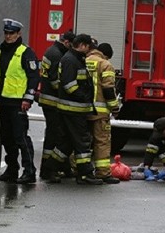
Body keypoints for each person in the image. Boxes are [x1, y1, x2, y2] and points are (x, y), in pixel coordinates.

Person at [0, 18, 41, 184]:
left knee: (21, 138)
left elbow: (33, 77)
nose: (8, 36)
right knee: (7, 138)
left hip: (18, 102)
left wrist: (28, 98)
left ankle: (29, 171)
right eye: (6, 33)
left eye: (11, 33)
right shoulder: (1, 51)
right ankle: (12, 169)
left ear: (18, 33)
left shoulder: (25, 52)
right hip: (4, 101)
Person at [56, 33, 104, 185]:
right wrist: (83, 97)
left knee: (68, 143)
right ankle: (85, 174)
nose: (89, 50)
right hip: (74, 109)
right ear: (82, 45)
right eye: (88, 47)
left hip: (74, 109)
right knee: (83, 141)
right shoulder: (71, 60)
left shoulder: (75, 58)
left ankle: (51, 167)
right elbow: (69, 85)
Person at [37, 30, 75, 183]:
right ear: (66, 42)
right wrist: (68, 91)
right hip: (52, 101)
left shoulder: (52, 50)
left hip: (48, 100)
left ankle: (62, 167)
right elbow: (54, 81)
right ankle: (47, 170)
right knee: (55, 136)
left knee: (55, 134)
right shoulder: (57, 55)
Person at [85, 41, 120, 184]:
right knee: (102, 142)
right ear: (106, 55)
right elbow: (108, 89)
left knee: (82, 142)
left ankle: (78, 169)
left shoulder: (84, 60)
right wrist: (115, 108)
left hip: (83, 110)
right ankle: (103, 172)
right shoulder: (105, 65)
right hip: (100, 113)